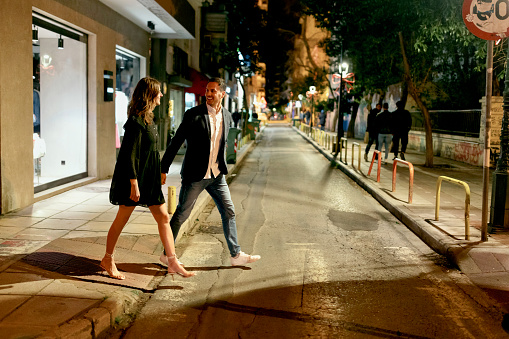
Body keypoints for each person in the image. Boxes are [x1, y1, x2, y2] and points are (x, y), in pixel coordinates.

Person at [101, 77, 194, 280]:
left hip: (149, 180)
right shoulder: (135, 122)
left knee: (163, 217)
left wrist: (157, 173)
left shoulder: (148, 119)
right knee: (121, 220)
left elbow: (151, 153)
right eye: (159, 91)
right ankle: (108, 259)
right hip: (134, 180)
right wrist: (133, 183)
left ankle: (172, 261)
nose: (162, 95)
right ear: (149, 94)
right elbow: (129, 155)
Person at [160, 77, 261, 266]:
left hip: (216, 176)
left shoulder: (228, 116)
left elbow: (222, 144)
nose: (208, 94)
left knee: (229, 211)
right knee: (182, 214)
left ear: (222, 94)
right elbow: (176, 142)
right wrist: (163, 168)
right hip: (195, 176)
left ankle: (235, 255)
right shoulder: (193, 115)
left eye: (213, 91)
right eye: (207, 90)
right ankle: (166, 254)